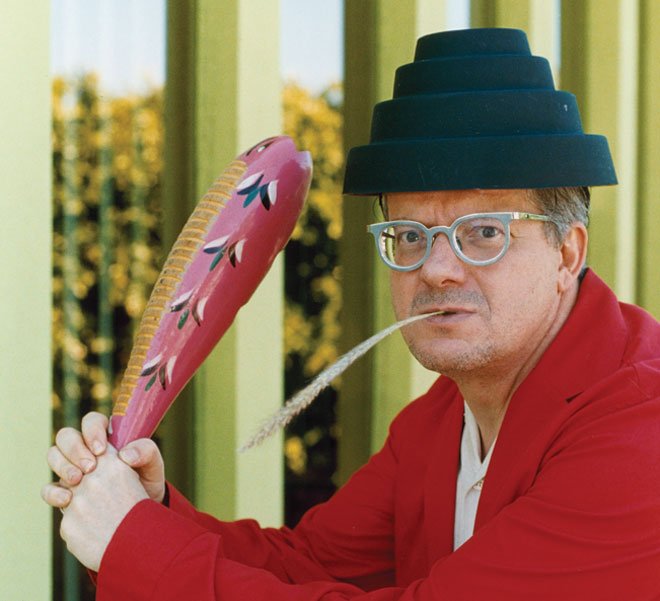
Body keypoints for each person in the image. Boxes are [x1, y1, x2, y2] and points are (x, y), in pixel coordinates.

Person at [42, 28, 660, 600]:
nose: (437, 269)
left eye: (484, 233)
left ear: (567, 252)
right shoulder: (440, 420)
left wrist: (136, 544)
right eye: (410, 235)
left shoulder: (640, 433)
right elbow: (308, 565)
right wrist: (147, 511)